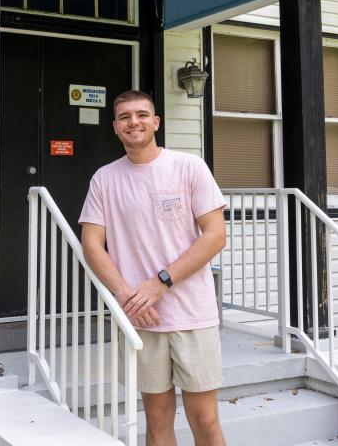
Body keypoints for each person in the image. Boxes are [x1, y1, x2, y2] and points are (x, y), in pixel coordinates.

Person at [79, 89, 227, 446]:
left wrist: (160, 283)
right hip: (142, 319)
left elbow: (215, 236)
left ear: (156, 121)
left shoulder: (188, 167)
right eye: (126, 117)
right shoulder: (105, 179)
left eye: (142, 115)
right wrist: (129, 296)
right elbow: (91, 244)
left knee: (204, 419)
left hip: (193, 314)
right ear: (115, 127)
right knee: (157, 422)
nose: (135, 122)